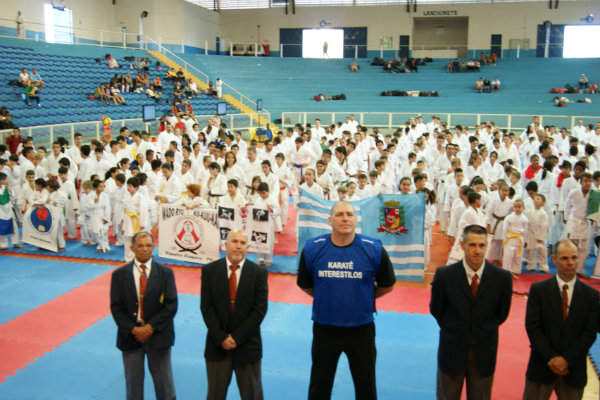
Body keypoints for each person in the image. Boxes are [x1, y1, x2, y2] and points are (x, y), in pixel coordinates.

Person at [297, 201, 396, 400]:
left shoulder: (373, 249)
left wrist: (363, 296)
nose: (345, 218)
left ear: (356, 219)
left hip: (361, 328)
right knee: (320, 385)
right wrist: (326, 294)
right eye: (339, 214)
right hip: (325, 327)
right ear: (330, 220)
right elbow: (305, 284)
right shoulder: (313, 248)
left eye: (349, 214)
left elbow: (387, 284)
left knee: (366, 385)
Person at [430, 224, 512, 400]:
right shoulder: (445, 276)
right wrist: (455, 328)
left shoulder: (502, 278)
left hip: (484, 350)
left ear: (487, 245)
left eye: (482, 245)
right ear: (462, 245)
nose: (477, 251)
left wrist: (481, 329)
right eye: (472, 245)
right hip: (452, 348)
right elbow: (436, 310)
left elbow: (502, 313)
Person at [523, 239, 600, 400]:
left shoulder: (591, 295)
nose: (570, 263)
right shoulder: (539, 290)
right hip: (542, 365)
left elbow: (590, 333)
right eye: (564, 258)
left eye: (574, 257)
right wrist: (552, 358)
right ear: (554, 259)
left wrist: (566, 360)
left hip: (574, 368)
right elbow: (533, 328)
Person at [200, 228, 268, 400]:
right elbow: (206, 308)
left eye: (243, 243)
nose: (238, 246)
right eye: (234, 241)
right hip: (218, 345)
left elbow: (259, 310)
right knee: (215, 395)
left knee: (252, 395)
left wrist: (237, 337)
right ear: (225, 244)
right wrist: (221, 337)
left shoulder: (259, 273)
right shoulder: (209, 271)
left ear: (248, 247)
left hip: (248, 344)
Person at [110, 231, 178, 400]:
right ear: (132, 248)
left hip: (158, 334)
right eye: (140, 246)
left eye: (148, 245)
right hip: (131, 336)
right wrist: (134, 329)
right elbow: (116, 308)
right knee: (133, 384)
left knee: (164, 384)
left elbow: (171, 305)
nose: (145, 249)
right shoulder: (119, 275)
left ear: (153, 247)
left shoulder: (165, 273)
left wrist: (150, 327)